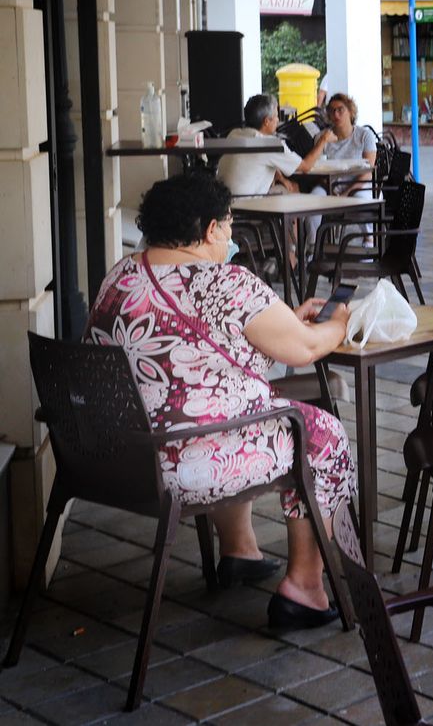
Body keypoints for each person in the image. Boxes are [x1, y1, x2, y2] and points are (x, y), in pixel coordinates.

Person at [86, 172, 354, 630]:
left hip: (112, 455)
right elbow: (303, 350)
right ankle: (305, 589)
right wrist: (339, 322)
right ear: (211, 229)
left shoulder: (122, 275)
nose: (230, 236)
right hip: (182, 464)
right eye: (228, 225)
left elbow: (191, 342)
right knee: (320, 435)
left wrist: (283, 318)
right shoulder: (225, 283)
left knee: (223, 410)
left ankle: (240, 551)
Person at [218, 94, 326, 198]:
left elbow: (252, 163)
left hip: (224, 202)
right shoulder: (269, 144)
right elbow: (306, 167)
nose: (278, 120)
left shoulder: (234, 134)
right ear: (266, 121)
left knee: (284, 187)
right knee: (292, 190)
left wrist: (281, 177)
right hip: (248, 205)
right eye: (276, 116)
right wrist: (323, 140)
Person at [314, 93, 378, 197]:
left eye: (340, 109)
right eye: (332, 111)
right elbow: (317, 169)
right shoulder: (322, 137)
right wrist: (332, 192)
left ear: (350, 111)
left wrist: (347, 193)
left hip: (361, 185)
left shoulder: (364, 135)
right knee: (314, 197)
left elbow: (367, 172)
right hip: (329, 186)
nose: (336, 114)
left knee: (358, 198)